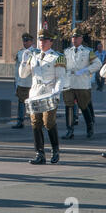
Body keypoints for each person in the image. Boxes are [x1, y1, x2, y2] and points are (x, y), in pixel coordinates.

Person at [19, 29, 66, 164]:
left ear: (51, 42)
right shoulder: (33, 56)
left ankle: (55, 150)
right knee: (35, 123)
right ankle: (39, 154)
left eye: (45, 40)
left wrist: (56, 92)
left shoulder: (57, 57)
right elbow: (23, 75)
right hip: (35, 93)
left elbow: (60, 77)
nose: (42, 43)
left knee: (49, 122)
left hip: (49, 93)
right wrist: (23, 60)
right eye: (40, 40)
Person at [62, 28, 102, 139]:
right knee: (68, 106)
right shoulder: (66, 51)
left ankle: (90, 126)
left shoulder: (88, 51)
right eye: (73, 38)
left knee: (84, 106)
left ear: (81, 39)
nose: (74, 40)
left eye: (76, 38)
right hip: (69, 83)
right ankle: (69, 130)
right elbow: (62, 66)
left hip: (82, 83)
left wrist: (86, 70)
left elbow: (98, 64)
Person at [13, 33, 39, 129]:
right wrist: (16, 81)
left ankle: (36, 121)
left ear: (31, 42)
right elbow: (17, 69)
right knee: (21, 102)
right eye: (24, 41)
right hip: (22, 82)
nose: (25, 43)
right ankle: (20, 121)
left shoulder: (36, 53)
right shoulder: (20, 53)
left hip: (33, 83)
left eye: (27, 41)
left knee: (34, 103)